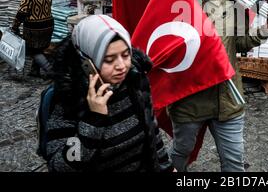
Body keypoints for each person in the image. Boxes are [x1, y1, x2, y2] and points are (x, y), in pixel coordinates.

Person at [168, 0, 268, 172]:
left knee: (234, 165)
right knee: (180, 154)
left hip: (227, 99)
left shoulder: (231, 1)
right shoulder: (171, 0)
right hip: (188, 100)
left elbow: (239, 43)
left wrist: (266, 29)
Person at [46, 15, 173, 172]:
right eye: (109, 59)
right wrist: (93, 120)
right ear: (87, 62)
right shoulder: (69, 97)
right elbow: (60, 166)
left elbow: (151, 130)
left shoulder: (134, 79)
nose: (121, 66)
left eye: (126, 55)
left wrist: (166, 166)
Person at [11, 0, 54, 78]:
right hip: (49, 24)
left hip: (34, 26)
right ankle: (35, 71)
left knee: (32, 50)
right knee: (40, 48)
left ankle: (51, 71)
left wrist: (15, 26)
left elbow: (22, 12)